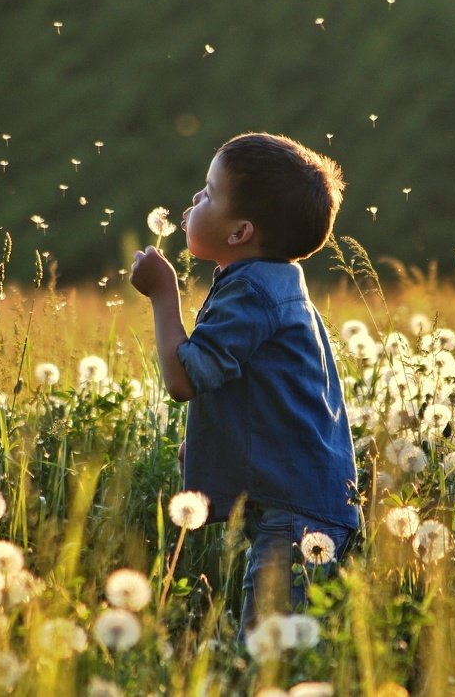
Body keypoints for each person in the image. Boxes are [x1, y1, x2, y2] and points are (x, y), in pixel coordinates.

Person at [129, 132, 360, 641]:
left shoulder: (255, 290)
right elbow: (261, 397)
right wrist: (218, 447)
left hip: (299, 515)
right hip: (302, 501)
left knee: (267, 652)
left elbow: (184, 378)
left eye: (209, 192)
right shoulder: (267, 282)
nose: (195, 199)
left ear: (240, 232)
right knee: (283, 644)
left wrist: (163, 293)